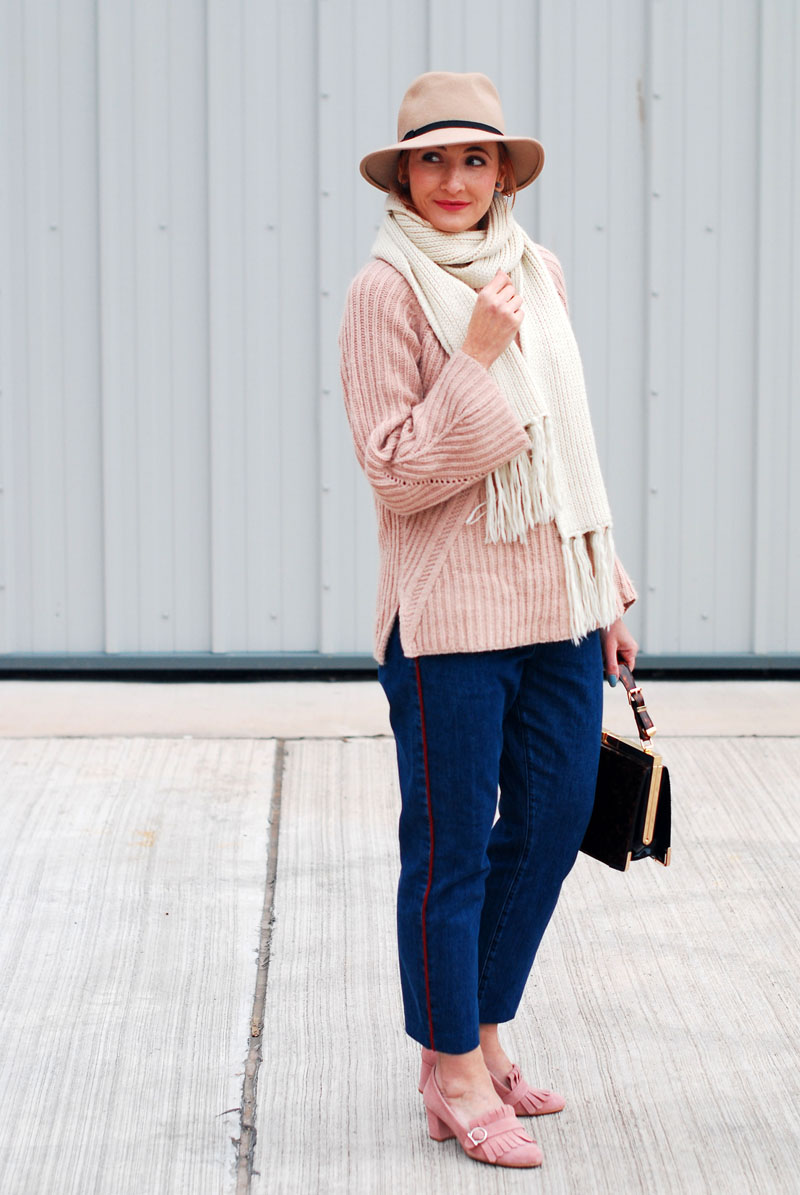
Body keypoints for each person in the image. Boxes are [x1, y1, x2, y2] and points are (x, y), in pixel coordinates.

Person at [339, 71, 638, 1169]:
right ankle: (449, 1070)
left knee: (554, 820)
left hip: (554, 599)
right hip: (447, 621)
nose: (454, 179)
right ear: (404, 175)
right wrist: (471, 362)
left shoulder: (535, 269)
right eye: (432, 160)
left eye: (474, 159)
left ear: (502, 171)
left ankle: (484, 1029)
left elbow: (566, 445)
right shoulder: (384, 293)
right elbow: (395, 475)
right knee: (450, 847)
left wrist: (605, 583)